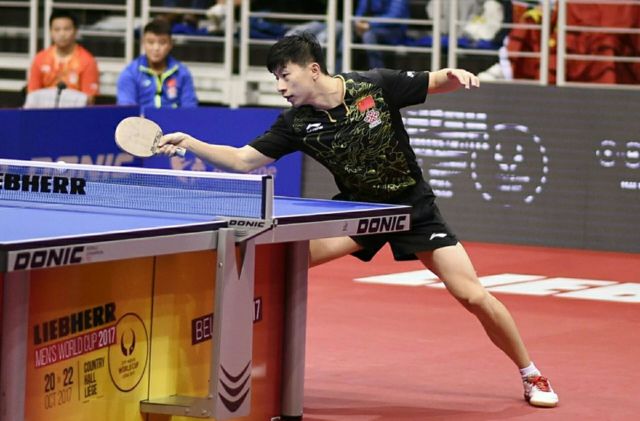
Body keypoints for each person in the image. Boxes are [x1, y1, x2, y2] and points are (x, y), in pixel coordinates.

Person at [157, 33, 559, 408]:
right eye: (275, 78)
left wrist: (454, 75)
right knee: (282, 264)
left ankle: (531, 374)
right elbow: (243, 160)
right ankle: (241, 367)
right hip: (360, 213)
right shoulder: (296, 123)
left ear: (313, 69)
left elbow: (434, 81)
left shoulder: (374, 86)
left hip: (411, 207)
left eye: (285, 75)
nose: (280, 86)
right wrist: (191, 142)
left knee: (472, 295)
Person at [117, 18, 198, 108]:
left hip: (174, 117)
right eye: (150, 42)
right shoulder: (130, 73)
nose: (156, 48)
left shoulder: (182, 73)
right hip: (142, 117)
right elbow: (127, 108)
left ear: (170, 44)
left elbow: (189, 108)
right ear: (143, 43)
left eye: (162, 43)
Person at [27, 10, 99, 105]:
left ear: (75, 31)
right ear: (50, 32)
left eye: (67, 29)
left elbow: (89, 100)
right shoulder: (40, 59)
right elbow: (32, 95)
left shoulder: (87, 61)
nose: (62, 34)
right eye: (57, 29)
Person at [354, 0, 409, 69]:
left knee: (368, 36)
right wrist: (358, 24)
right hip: (370, 28)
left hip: (394, 31)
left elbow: (394, 17)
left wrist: (370, 24)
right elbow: (360, 12)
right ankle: (343, 72)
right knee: (346, 31)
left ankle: (377, 72)